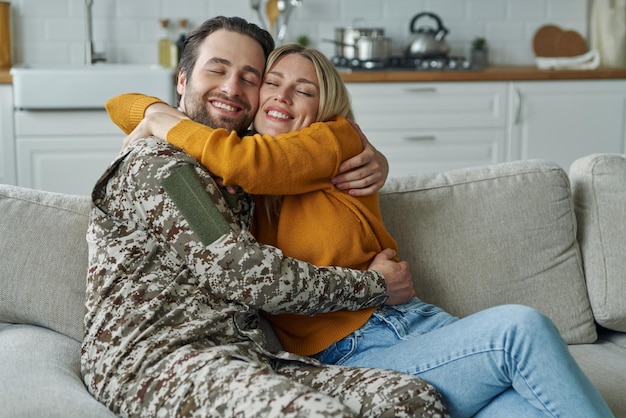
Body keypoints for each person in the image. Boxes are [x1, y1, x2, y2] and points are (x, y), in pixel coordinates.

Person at [108, 37, 614, 418]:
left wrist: (159, 118)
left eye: (302, 90)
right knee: (520, 346)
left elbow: (252, 162)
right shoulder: (223, 178)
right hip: (349, 353)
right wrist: (153, 112)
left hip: (407, 329)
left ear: (323, 107)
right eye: (272, 84)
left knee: (522, 373)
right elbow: (121, 104)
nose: (279, 96)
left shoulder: (334, 139)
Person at [81, 15, 448, 418]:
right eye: (217, 69)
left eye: (251, 78)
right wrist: (374, 286)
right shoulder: (165, 168)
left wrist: (374, 158)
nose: (232, 88)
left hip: (245, 357)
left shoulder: (241, 164)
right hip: (157, 362)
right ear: (182, 80)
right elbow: (241, 271)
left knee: (413, 399)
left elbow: (282, 154)